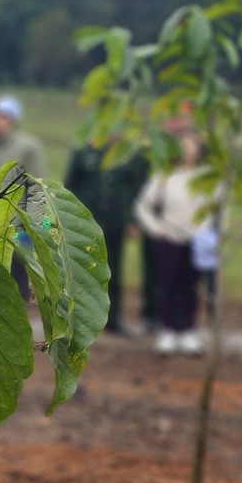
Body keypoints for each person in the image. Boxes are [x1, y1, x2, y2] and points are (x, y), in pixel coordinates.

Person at [134, 131, 211, 356]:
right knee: (168, 284)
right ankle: (167, 330)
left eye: (192, 145)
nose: (188, 150)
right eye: (184, 145)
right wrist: (157, 229)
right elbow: (142, 206)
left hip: (197, 239)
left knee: (192, 285)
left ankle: (188, 330)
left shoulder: (207, 177)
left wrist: (211, 234)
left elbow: (218, 208)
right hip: (170, 237)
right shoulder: (165, 175)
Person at [64, 136, 148, 335]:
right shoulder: (83, 151)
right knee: (82, 270)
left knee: (113, 271)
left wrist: (133, 220)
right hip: (86, 223)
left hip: (115, 221)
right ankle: (78, 319)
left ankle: (112, 319)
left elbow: (135, 188)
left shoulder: (127, 153)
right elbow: (70, 185)